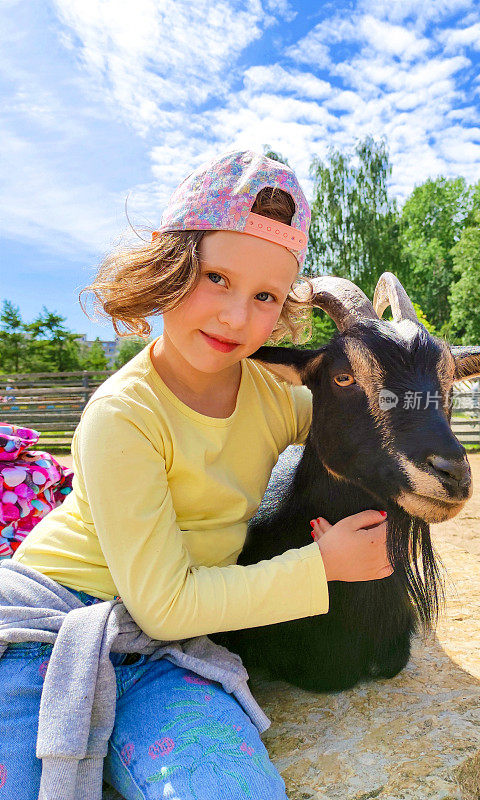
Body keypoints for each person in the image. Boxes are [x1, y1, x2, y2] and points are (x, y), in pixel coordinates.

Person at [0, 150, 392, 800]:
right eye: (216, 277)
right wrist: (320, 567)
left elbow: (357, 425)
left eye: (264, 296)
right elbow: (166, 603)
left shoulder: (275, 400)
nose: (236, 317)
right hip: (46, 627)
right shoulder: (122, 417)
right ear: (171, 264)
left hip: (162, 655)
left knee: (231, 788)